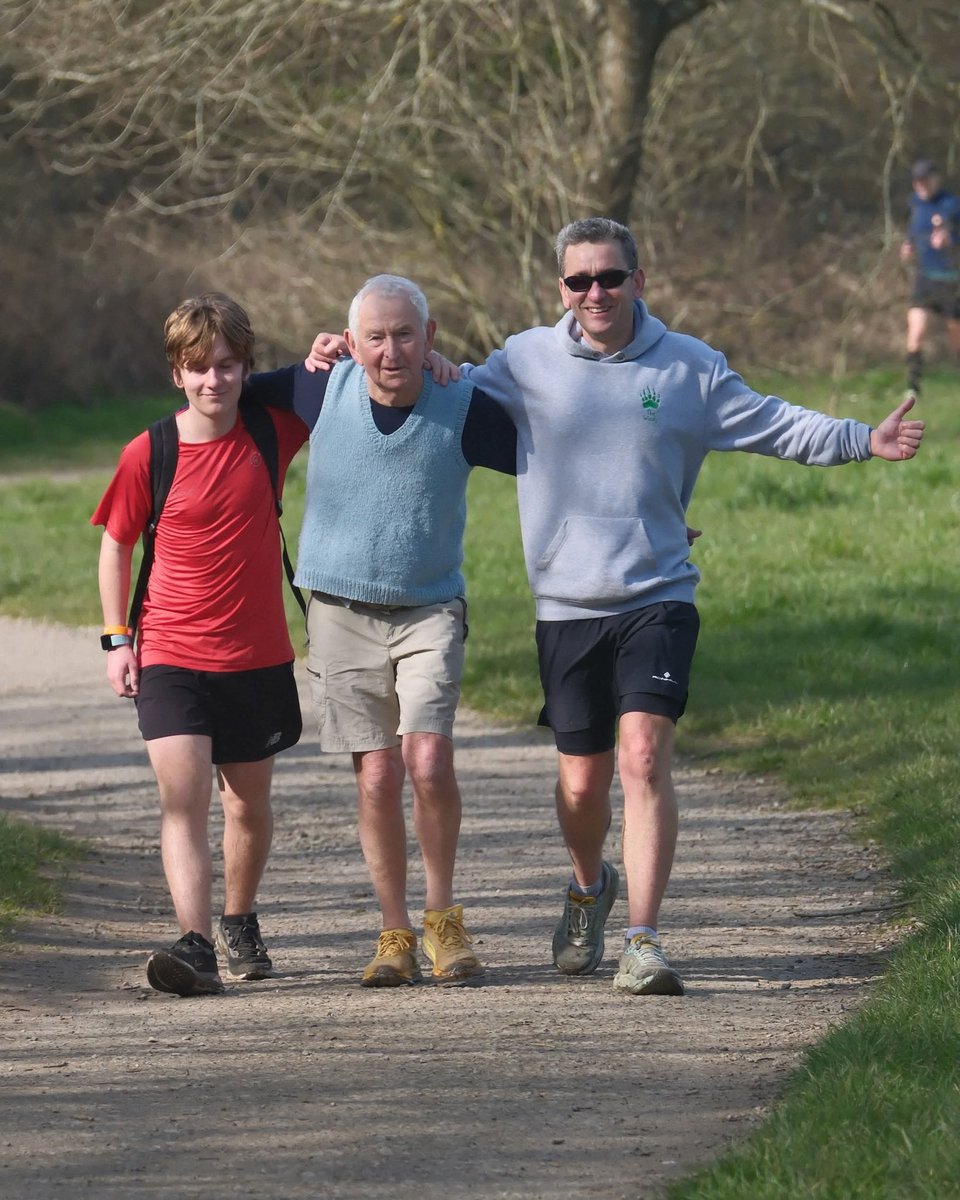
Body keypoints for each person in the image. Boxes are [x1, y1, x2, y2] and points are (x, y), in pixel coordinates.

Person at [309, 217, 925, 999]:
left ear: (639, 281)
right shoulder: (525, 360)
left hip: (659, 594)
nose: (594, 293)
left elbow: (771, 421)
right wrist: (368, 353)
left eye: (609, 278)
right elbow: (442, 387)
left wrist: (859, 438)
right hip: (567, 604)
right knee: (581, 787)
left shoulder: (689, 368)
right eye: (579, 281)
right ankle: (587, 888)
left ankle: (643, 937)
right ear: (560, 289)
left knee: (644, 757)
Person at [246, 274, 517, 987]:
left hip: (430, 608)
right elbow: (228, 392)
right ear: (351, 341)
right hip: (339, 612)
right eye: (375, 337)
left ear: (430, 338)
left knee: (427, 762)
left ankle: (443, 924)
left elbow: (554, 461)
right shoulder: (320, 388)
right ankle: (392, 933)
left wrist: (653, 513)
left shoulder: (461, 404)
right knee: (377, 777)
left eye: (405, 334)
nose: (391, 350)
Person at [91, 293, 307, 997]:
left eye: (228, 366)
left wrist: (339, 351)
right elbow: (115, 546)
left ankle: (238, 921)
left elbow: (350, 383)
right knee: (182, 799)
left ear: (247, 367)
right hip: (171, 653)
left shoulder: (273, 431)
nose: (213, 381)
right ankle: (195, 942)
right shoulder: (148, 451)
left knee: (246, 804)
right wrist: (117, 641)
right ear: (177, 374)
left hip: (257, 654)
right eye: (198, 368)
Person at [899, 157, 960, 400]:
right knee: (916, 331)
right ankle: (913, 386)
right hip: (924, 280)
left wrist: (947, 239)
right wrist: (907, 245)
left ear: (936, 179)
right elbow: (913, 231)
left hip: (950, 280)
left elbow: (949, 229)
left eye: (925, 180)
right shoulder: (914, 204)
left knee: (955, 334)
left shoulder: (952, 205)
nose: (921, 185)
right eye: (917, 181)